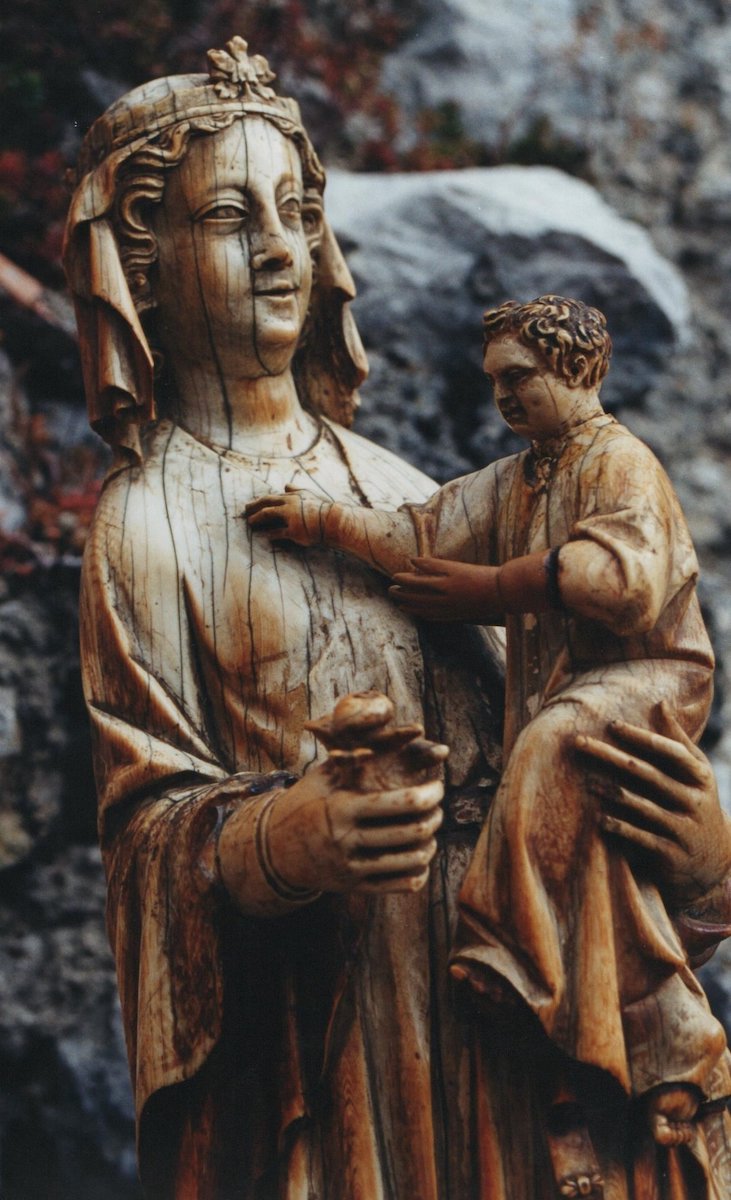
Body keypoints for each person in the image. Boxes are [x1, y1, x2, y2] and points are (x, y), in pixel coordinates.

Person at [65, 40, 731, 1200]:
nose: (280, 247)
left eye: (298, 210)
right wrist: (285, 838)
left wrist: (703, 865)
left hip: (524, 1028)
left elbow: (575, 719)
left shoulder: (405, 491)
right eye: (229, 218)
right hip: (353, 1053)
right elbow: (147, 840)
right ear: (144, 266)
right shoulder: (145, 529)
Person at [248, 294, 731, 1191]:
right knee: (585, 855)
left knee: (546, 748)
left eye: (520, 378)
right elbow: (422, 533)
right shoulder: (522, 477)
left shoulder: (620, 463)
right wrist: (325, 524)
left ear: (577, 370)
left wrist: (492, 589)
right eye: (495, 383)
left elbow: (619, 585)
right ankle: (642, 1044)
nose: (504, 398)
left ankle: (510, 954)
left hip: (647, 684)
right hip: (574, 694)